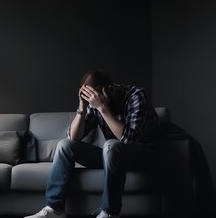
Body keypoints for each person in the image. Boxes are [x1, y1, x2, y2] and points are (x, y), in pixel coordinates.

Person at [25, 70, 159, 218]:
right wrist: (82, 108)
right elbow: (73, 137)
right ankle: (55, 209)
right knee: (65, 145)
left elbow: (129, 139)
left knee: (111, 145)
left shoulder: (137, 96)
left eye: (94, 97)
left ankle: (110, 213)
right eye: (88, 97)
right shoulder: (93, 103)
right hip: (113, 158)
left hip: (142, 156)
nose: (92, 102)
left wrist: (102, 108)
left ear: (109, 89)